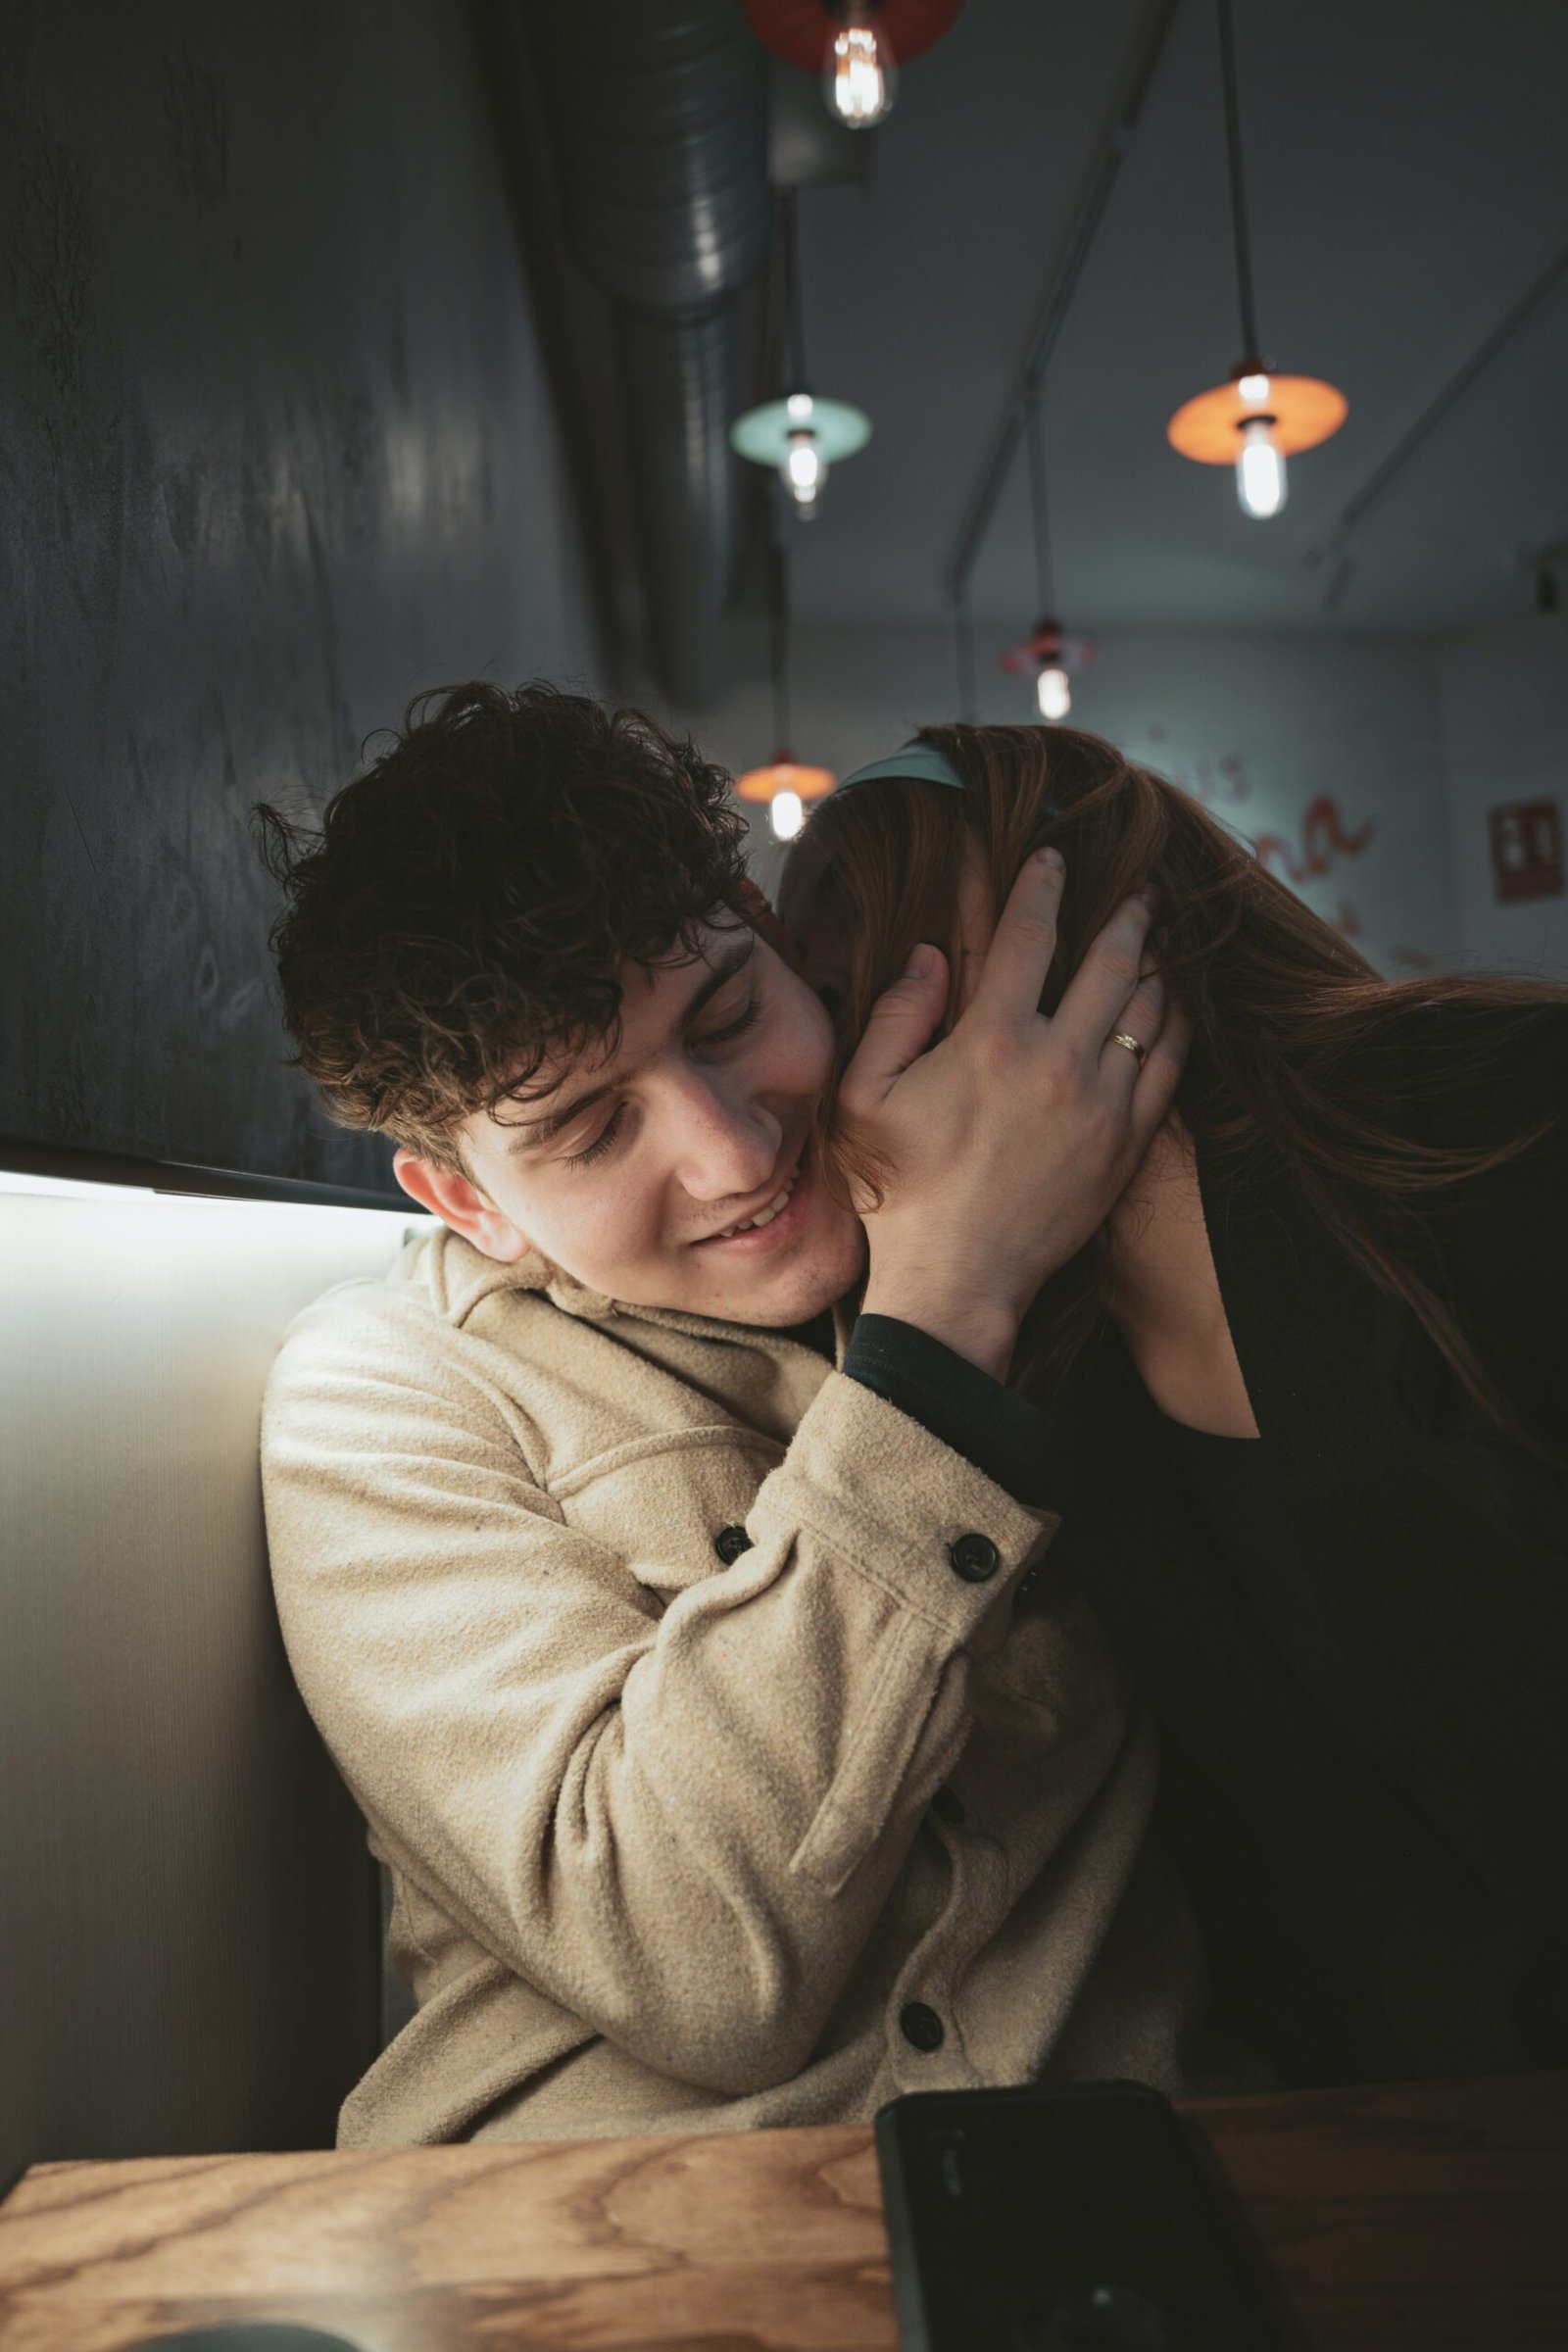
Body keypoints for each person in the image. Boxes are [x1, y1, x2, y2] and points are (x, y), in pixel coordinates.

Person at [252, 680, 1248, 2152]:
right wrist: (943, 1321)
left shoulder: (1010, 1187)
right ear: (465, 1200)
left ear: (769, 933)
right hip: (609, 2235)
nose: (730, 1148)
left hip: (1126, 2188)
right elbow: (698, 1963)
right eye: (592, 1129)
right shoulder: (379, 1399)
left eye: (727, 1015)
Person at [779, 719, 1568, 2089]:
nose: (872, 1074)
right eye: (842, 1005)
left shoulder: (1500, 1113)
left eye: (912, 980)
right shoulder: (1042, 1374)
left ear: (1092, 935)